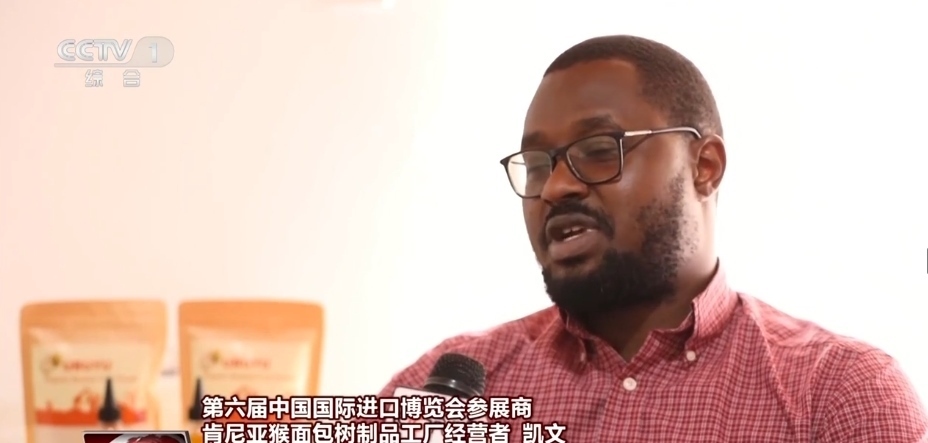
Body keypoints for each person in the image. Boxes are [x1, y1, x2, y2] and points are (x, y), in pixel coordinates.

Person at [379, 35, 928, 441]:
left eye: (600, 150)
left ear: (705, 166)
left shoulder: (837, 395)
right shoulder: (443, 392)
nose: (558, 187)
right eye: (540, 165)